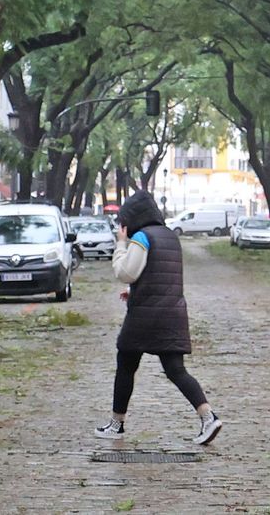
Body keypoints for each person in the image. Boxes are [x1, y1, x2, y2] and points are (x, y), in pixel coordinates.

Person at [95, 189, 222, 445]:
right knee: (175, 369)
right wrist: (134, 291)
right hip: (172, 313)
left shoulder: (142, 237)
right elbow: (160, 275)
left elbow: (126, 272)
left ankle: (117, 424)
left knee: (126, 364)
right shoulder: (170, 236)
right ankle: (208, 417)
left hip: (145, 316)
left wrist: (120, 245)